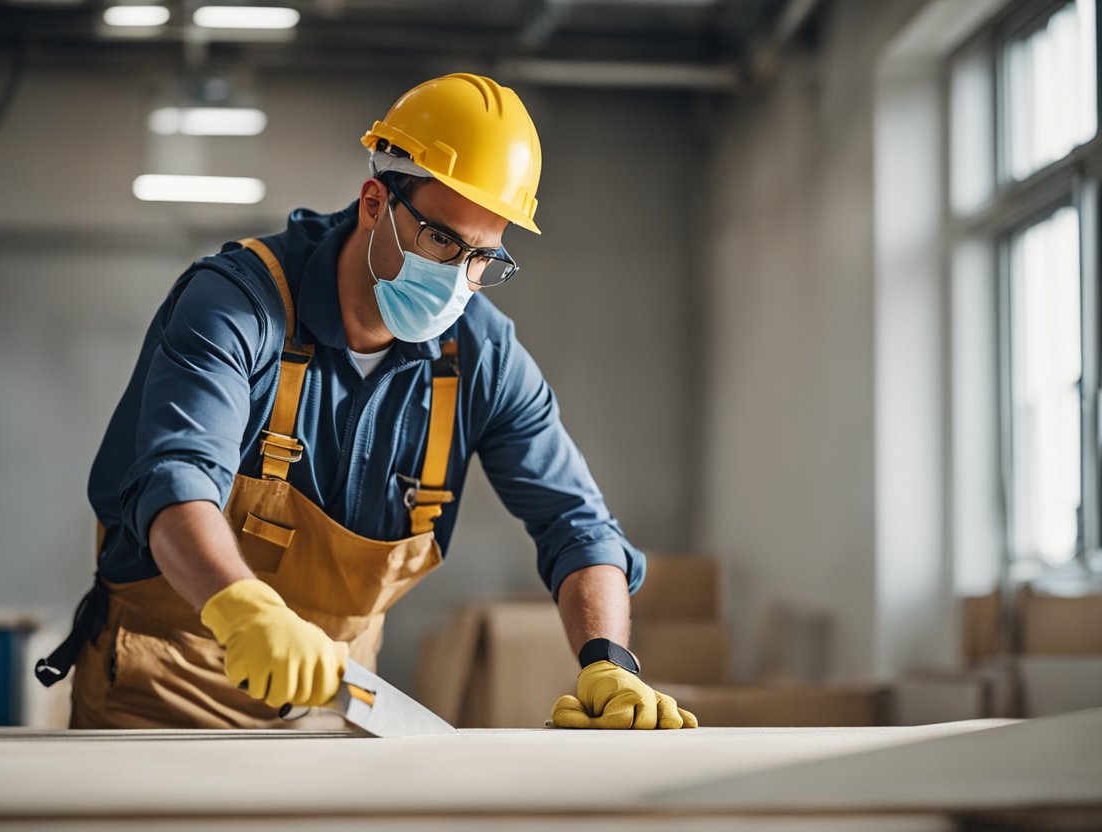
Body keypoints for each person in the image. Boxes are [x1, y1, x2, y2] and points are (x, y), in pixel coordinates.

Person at [36, 73, 697, 731]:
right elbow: (174, 482)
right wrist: (245, 612)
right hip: (162, 689)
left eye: (483, 258)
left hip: (334, 705)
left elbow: (577, 525)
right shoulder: (239, 305)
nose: (458, 280)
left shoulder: (481, 357)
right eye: (441, 240)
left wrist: (608, 662)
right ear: (375, 201)